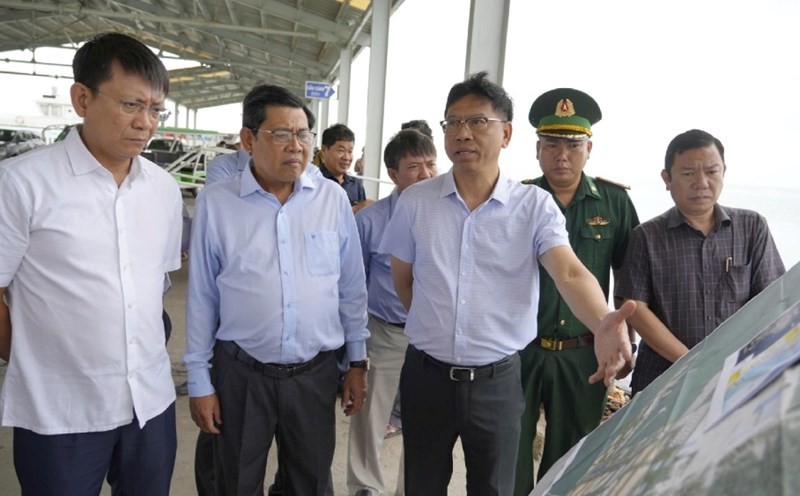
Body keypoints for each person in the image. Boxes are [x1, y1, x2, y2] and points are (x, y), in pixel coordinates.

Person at [378, 71, 635, 495]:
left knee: (495, 487)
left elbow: (569, 272)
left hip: (496, 382)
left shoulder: (533, 207)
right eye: (453, 123)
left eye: (478, 122)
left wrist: (603, 319)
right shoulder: (416, 202)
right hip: (426, 377)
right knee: (421, 484)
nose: (463, 133)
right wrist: (436, 327)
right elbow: (404, 281)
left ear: (507, 133)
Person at [0, 32, 182, 495]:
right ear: (82, 98)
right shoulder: (22, 184)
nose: (146, 122)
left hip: (151, 404)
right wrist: (28, 357)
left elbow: (155, 284)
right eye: (130, 105)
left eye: (156, 109)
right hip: (60, 411)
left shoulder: (162, 189)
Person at [184, 84, 370, 495]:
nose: (296, 146)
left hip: (315, 374)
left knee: (310, 483)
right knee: (234, 481)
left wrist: (357, 361)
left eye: (303, 134)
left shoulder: (332, 200)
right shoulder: (218, 203)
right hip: (241, 374)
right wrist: (200, 381)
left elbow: (351, 288)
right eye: (281, 134)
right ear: (249, 139)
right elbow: (201, 297)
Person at [514, 88, 640, 494]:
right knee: (509, 451)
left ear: (589, 148)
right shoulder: (517, 200)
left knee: (570, 458)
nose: (561, 155)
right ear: (537, 150)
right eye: (551, 145)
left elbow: (627, 280)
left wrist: (625, 342)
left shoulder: (615, 203)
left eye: (572, 145)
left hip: (583, 350)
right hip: (521, 349)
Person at [616, 128, 785, 394]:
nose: (701, 183)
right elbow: (634, 307)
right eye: (688, 173)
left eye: (711, 171)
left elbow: (773, 301)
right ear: (667, 178)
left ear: (723, 172)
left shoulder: (752, 227)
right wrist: (691, 363)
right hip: (662, 381)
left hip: (737, 378)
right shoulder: (646, 237)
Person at [346, 129, 438, 496]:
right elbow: (353, 287)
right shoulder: (369, 222)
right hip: (384, 333)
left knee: (424, 420)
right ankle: (364, 486)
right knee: (371, 417)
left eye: (431, 164)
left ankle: (410, 488)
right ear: (392, 172)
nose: (426, 174)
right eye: (414, 167)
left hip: (432, 335)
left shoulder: (448, 215)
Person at [318, 123, 373, 213]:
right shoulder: (314, 182)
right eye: (341, 150)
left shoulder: (356, 185)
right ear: (324, 150)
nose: (347, 157)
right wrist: (353, 210)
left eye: (350, 151)